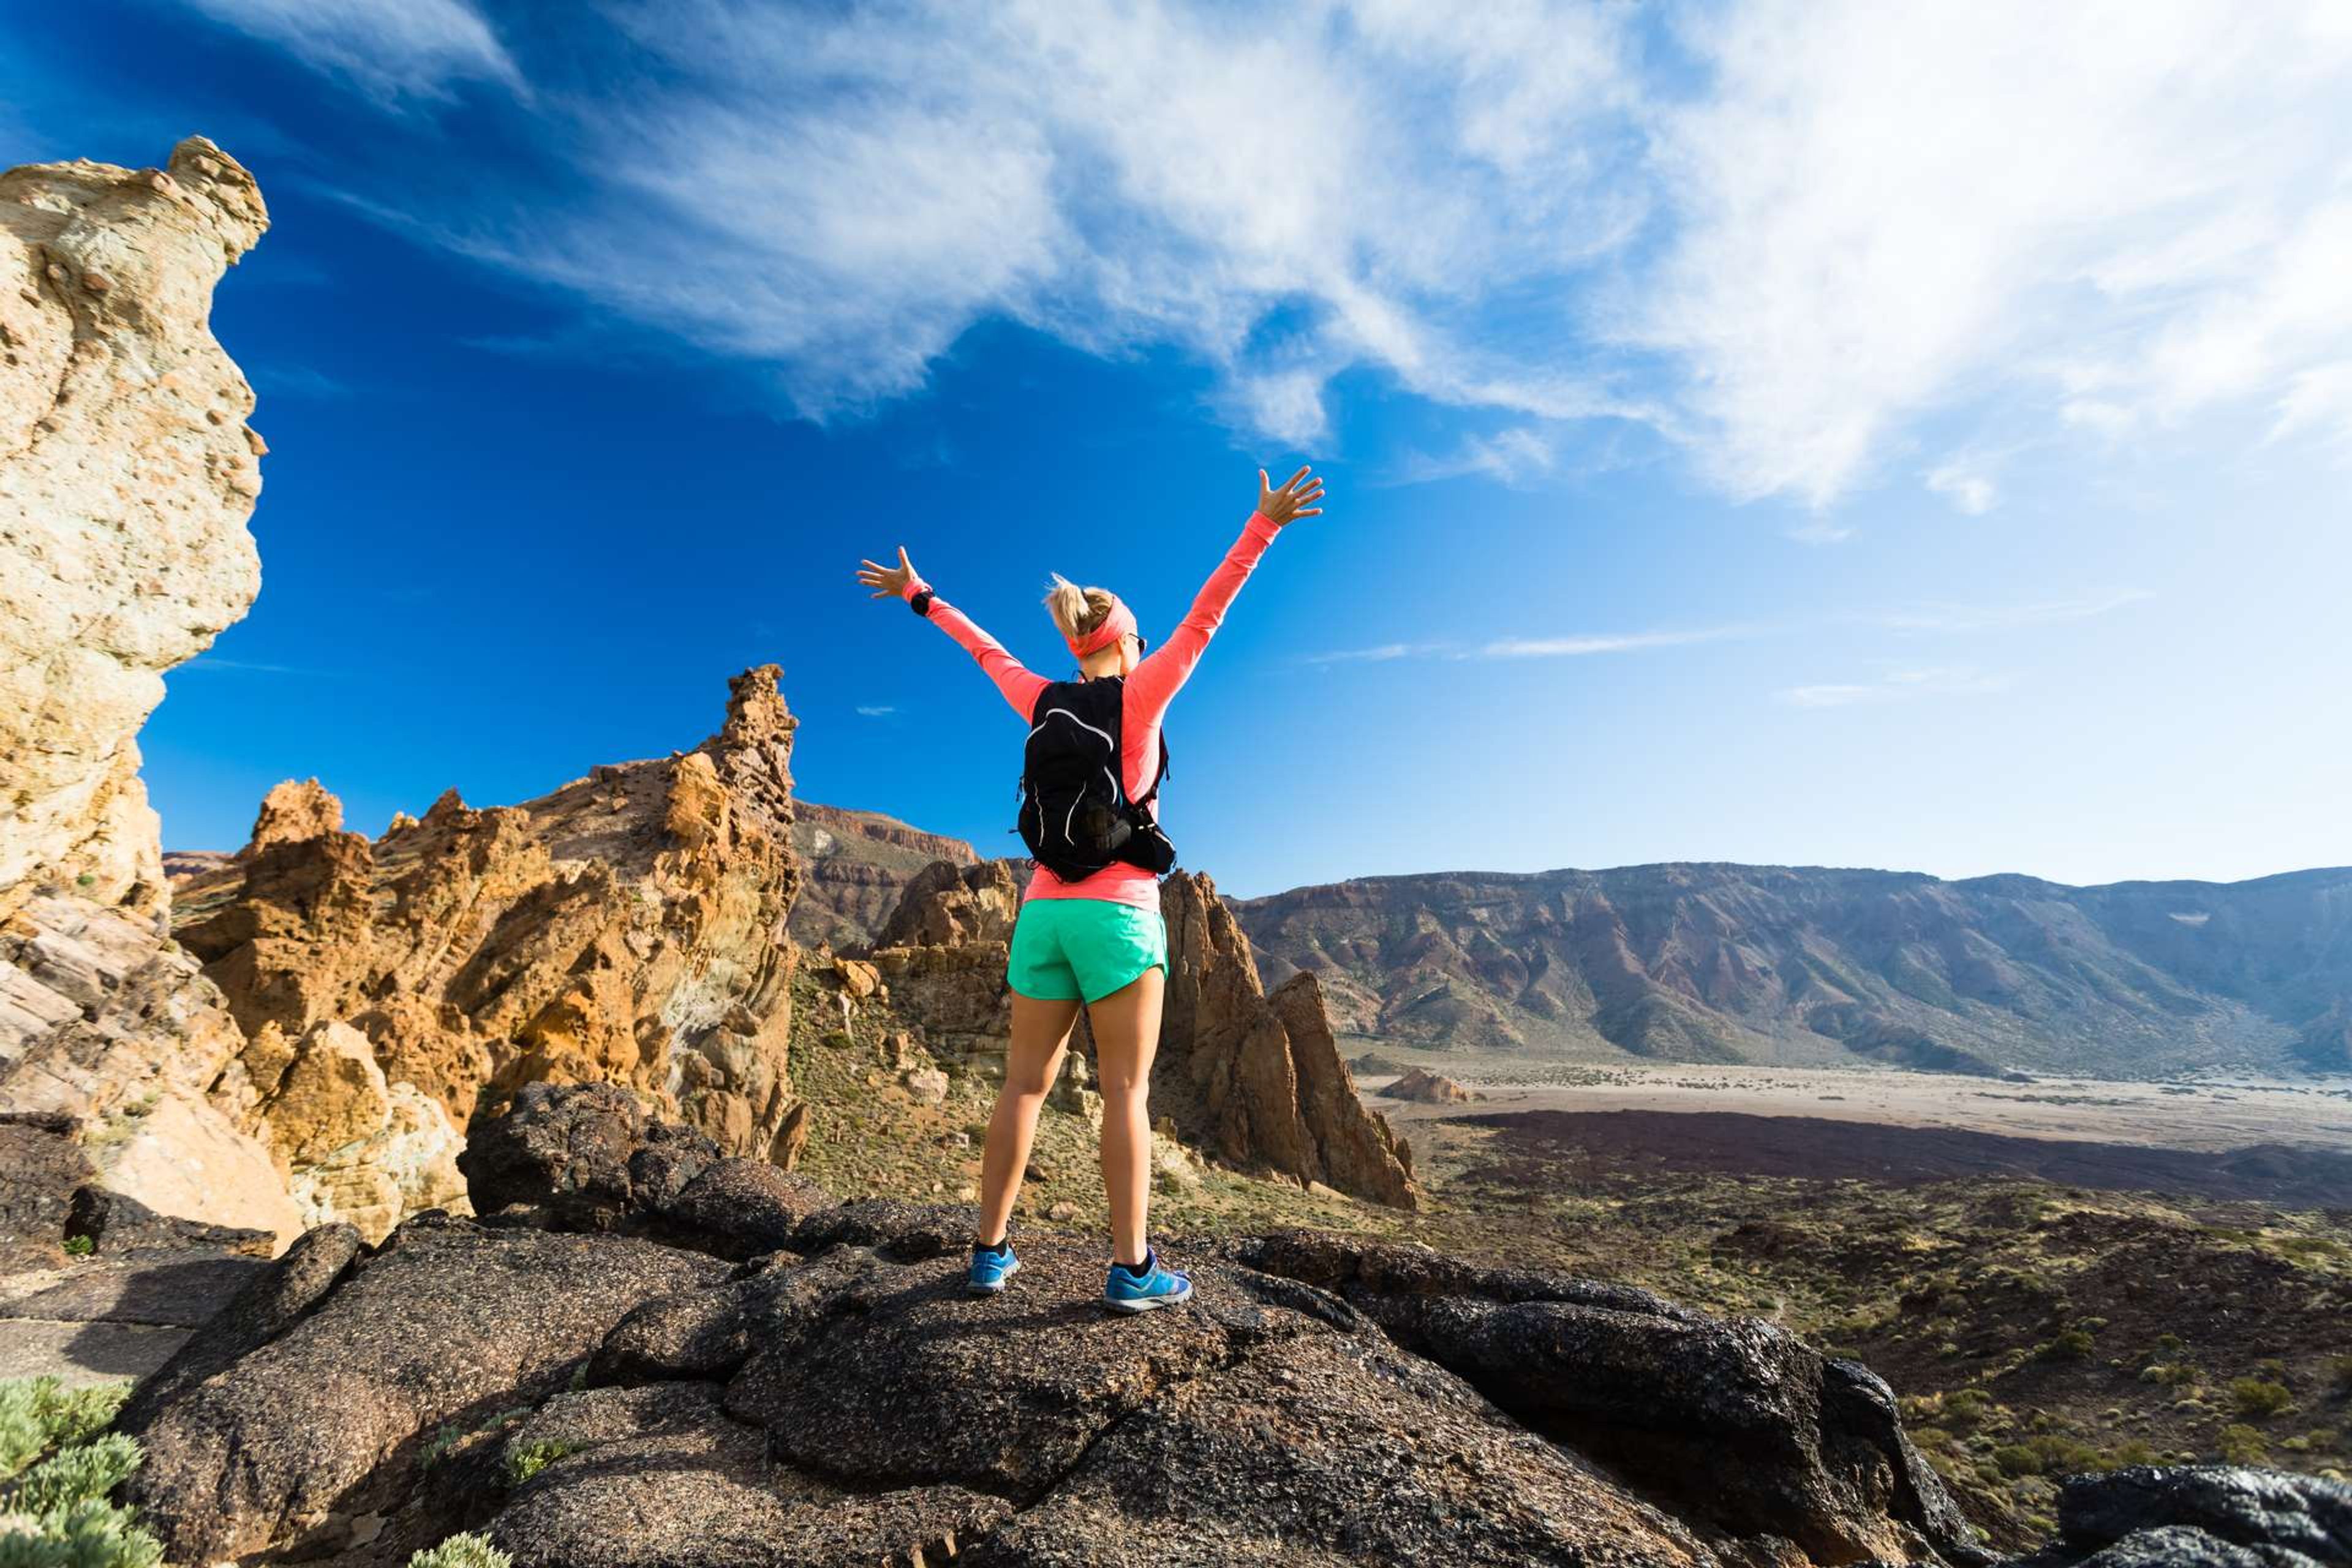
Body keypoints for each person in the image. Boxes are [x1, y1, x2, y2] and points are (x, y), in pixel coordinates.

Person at [854, 465, 1325, 1312]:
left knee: (1023, 1087)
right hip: (1117, 916)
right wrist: (1265, 526)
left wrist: (919, 593)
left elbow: (982, 647)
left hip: (1041, 913)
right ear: (1129, 641)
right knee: (1126, 1092)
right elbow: (1208, 616)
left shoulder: (1040, 699)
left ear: (1077, 645)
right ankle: (1132, 1270)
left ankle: (991, 1255)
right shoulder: (1143, 696)